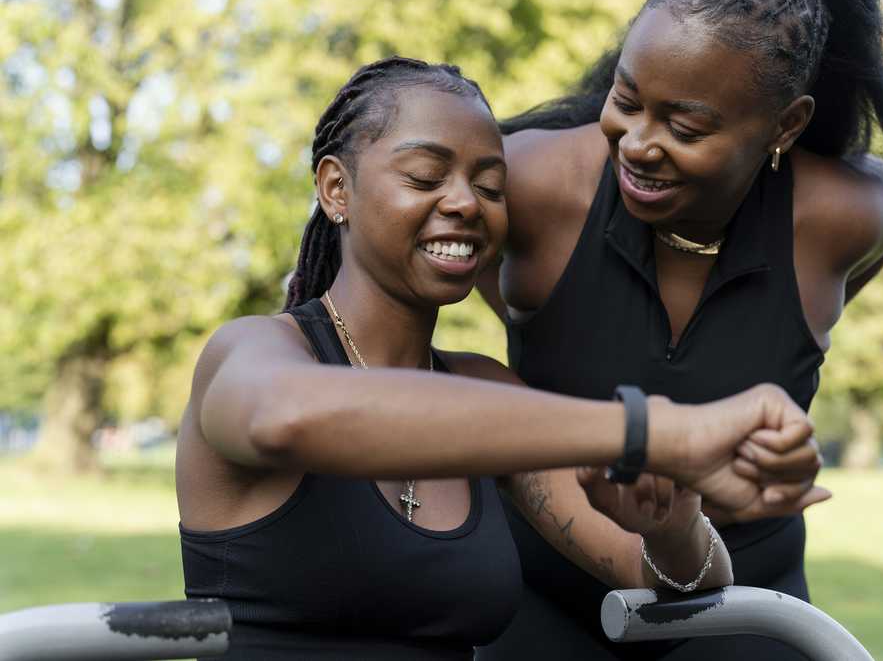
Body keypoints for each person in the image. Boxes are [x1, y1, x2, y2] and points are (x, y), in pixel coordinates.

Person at [175, 57, 823, 660]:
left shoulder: (481, 386)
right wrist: (651, 429)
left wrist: (673, 523)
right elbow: (284, 418)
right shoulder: (256, 351)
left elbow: (666, 580)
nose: (465, 202)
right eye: (426, 176)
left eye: (490, 185)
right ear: (336, 189)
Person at [476, 0, 883, 659]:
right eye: (627, 99)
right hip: (541, 604)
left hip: (750, 617)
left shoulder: (848, 217)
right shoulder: (532, 184)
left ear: (786, 126)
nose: (637, 143)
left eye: (686, 126)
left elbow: (821, 310)